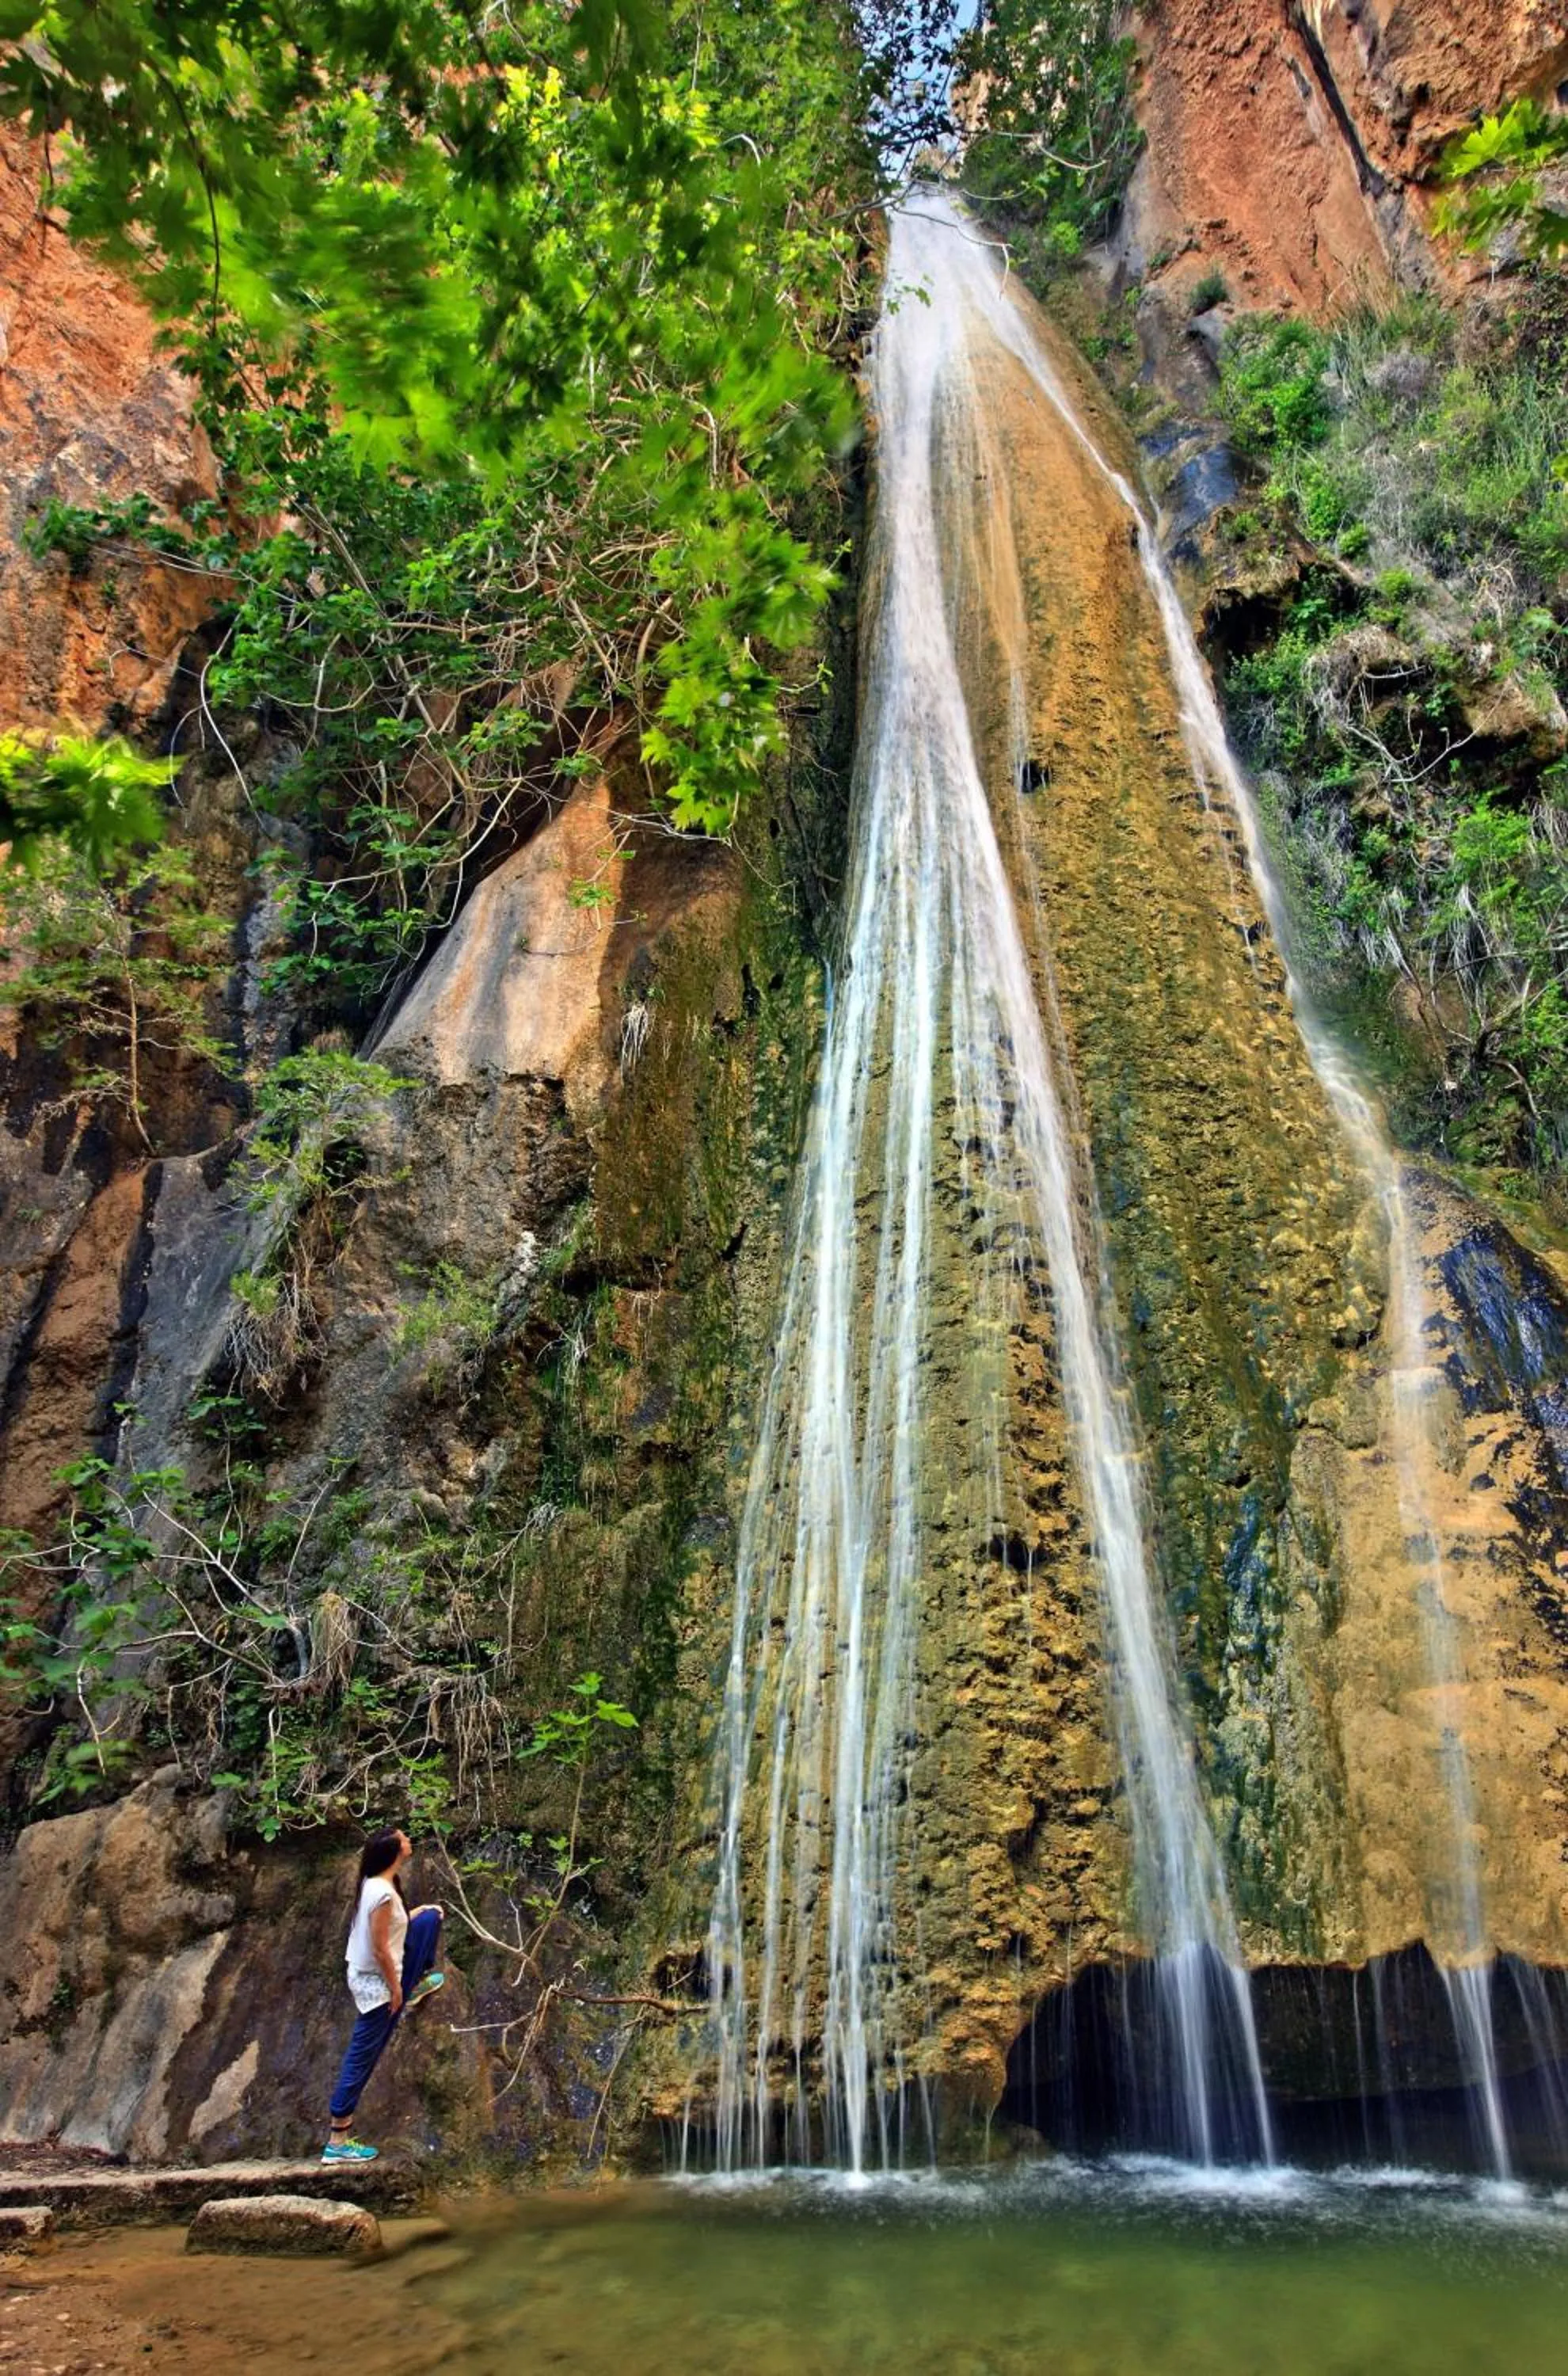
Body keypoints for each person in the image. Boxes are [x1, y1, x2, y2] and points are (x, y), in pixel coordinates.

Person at [322, 1826, 446, 2165]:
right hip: (376, 1985)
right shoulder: (382, 1894)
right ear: (394, 1850)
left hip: (381, 1973)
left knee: (431, 1917)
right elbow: (379, 1949)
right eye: (404, 1838)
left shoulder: (377, 1884)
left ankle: (415, 1984)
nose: (409, 1842)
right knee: (363, 2056)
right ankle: (338, 2139)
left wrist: (416, 1914)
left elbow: (391, 1929)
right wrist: (395, 1991)